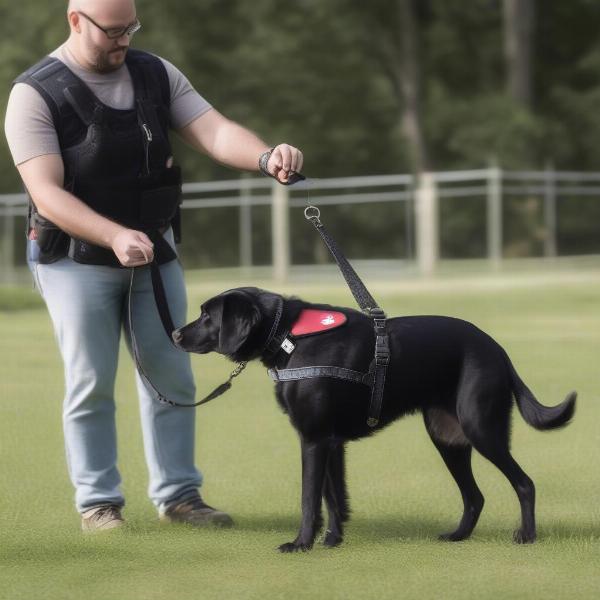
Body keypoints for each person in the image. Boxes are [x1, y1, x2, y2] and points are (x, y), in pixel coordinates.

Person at [4, 0, 303, 532]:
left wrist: (265, 155)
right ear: (76, 20)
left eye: (131, 28)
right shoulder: (33, 93)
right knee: (91, 380)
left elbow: (213, 131)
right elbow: (45, 194)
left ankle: (180, 497)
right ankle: (99, 503)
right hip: (74, 260)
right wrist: (114, 234)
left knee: (172, 372)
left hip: (154, 253)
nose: (123, 41)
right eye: (113, 32)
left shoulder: (155, 73)